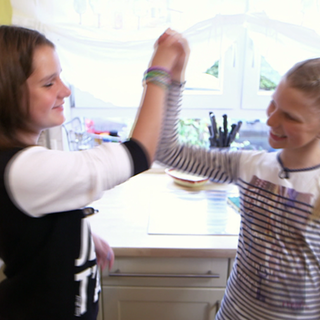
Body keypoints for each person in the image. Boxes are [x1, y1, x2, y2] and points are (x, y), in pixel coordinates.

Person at [0, 25, 189, 320]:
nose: (65, 90)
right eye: (49, 83)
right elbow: (139, 153)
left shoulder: (22, 164)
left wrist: (78, 235)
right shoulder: (23, 169)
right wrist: (158, 71)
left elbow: (33, 222)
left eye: (60, 76)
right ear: (8, 96)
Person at [156, 57, 320, 319]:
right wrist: (172, 79)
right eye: (273, 104)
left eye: (290, 117)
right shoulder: (247, 165)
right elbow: (166, 151)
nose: (271, 120)